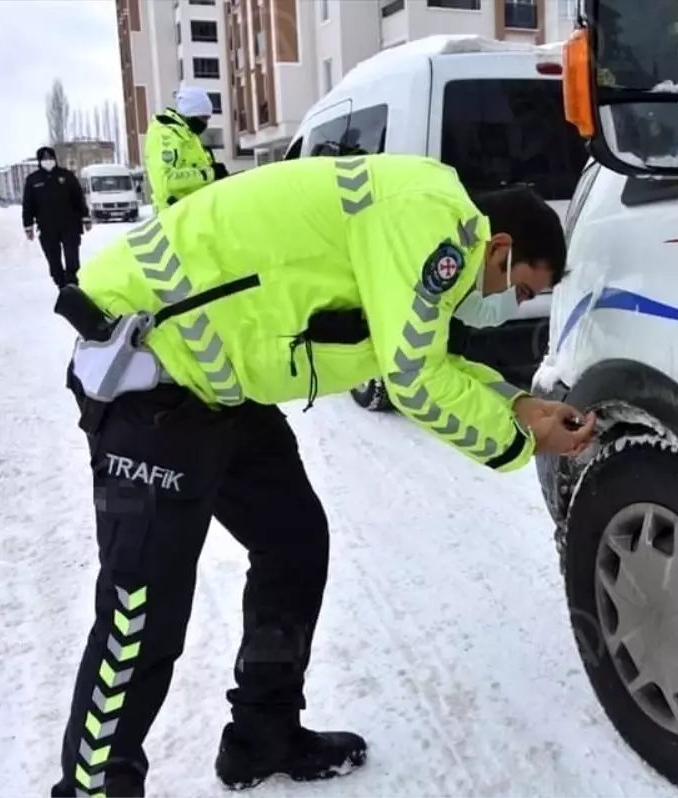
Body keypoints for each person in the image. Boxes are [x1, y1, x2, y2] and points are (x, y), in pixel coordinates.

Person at [50, 153, 595, 798]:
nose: (513, 306)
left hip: (218, 383)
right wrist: (519, 439)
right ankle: (93, 790)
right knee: (143, 604)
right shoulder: (431, 223)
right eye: (522, 289)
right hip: (149, 365)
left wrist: (517, 405)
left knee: (293, 542)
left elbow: (433, 357)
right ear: (498, 246)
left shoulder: (430, 230)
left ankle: (263, 734)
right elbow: (414, 380)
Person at [143, 84, 228, 213]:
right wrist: (210, 173)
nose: (205, 123)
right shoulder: (166, 136)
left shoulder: (188, 136)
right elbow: (166, 180)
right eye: (203, 118)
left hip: (192, 213)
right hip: (174, 216)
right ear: (190, 113)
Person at [23, 146, 91, 288]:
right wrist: (28, 226)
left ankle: (72, 284)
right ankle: (61, 284)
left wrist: (85, 217)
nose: (48, 161)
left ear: (55, 159)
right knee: (54, 260)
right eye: (44, 158)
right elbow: (28, 205)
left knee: (72, 257)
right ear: (39, 161)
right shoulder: (33, 180)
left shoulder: (66, 176)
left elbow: (78, 197)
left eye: (50, 158)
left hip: (70, 224)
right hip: (47, 227)